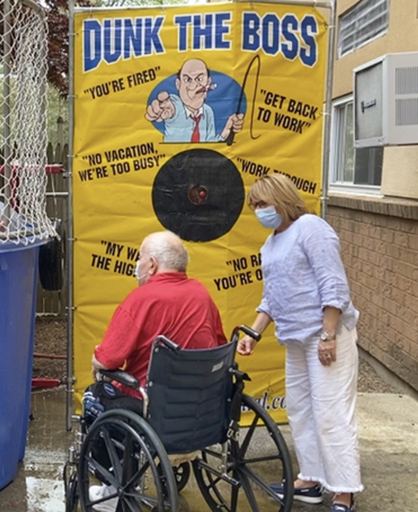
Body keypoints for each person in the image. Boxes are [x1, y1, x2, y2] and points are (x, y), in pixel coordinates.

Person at [238, 173, 362, 512]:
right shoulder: (271, 243)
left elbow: (332, 283)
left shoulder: (311, 228)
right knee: (301, 411)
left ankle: (344, 490)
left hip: (325, 336)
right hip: (295, 339)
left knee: (331, 413)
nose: (259, 211)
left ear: (281, 199)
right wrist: (253, 332)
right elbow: (272, 297)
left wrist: (328, 334)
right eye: (255, 206)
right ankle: (310, 479)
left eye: (263, 204)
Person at [85, 231, 227, 511]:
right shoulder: (202, 293)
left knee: (95, 396)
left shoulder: (142, 299)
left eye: (139, 257)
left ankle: (113, 490)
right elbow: (220, 344)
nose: (137, 263)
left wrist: (96, 362)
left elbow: (109, 358)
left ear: (151, 264)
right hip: (201, 407)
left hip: (152, 409)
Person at [145, 58, 244, 143]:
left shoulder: (208, 112)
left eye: (199, 79)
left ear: (208, 82)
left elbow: (209, 145)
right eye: (187, 80)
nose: (194, 85)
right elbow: (172, 105)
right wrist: (162, 108)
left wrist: (226, 131)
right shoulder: (176, 107)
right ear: (178, 84)